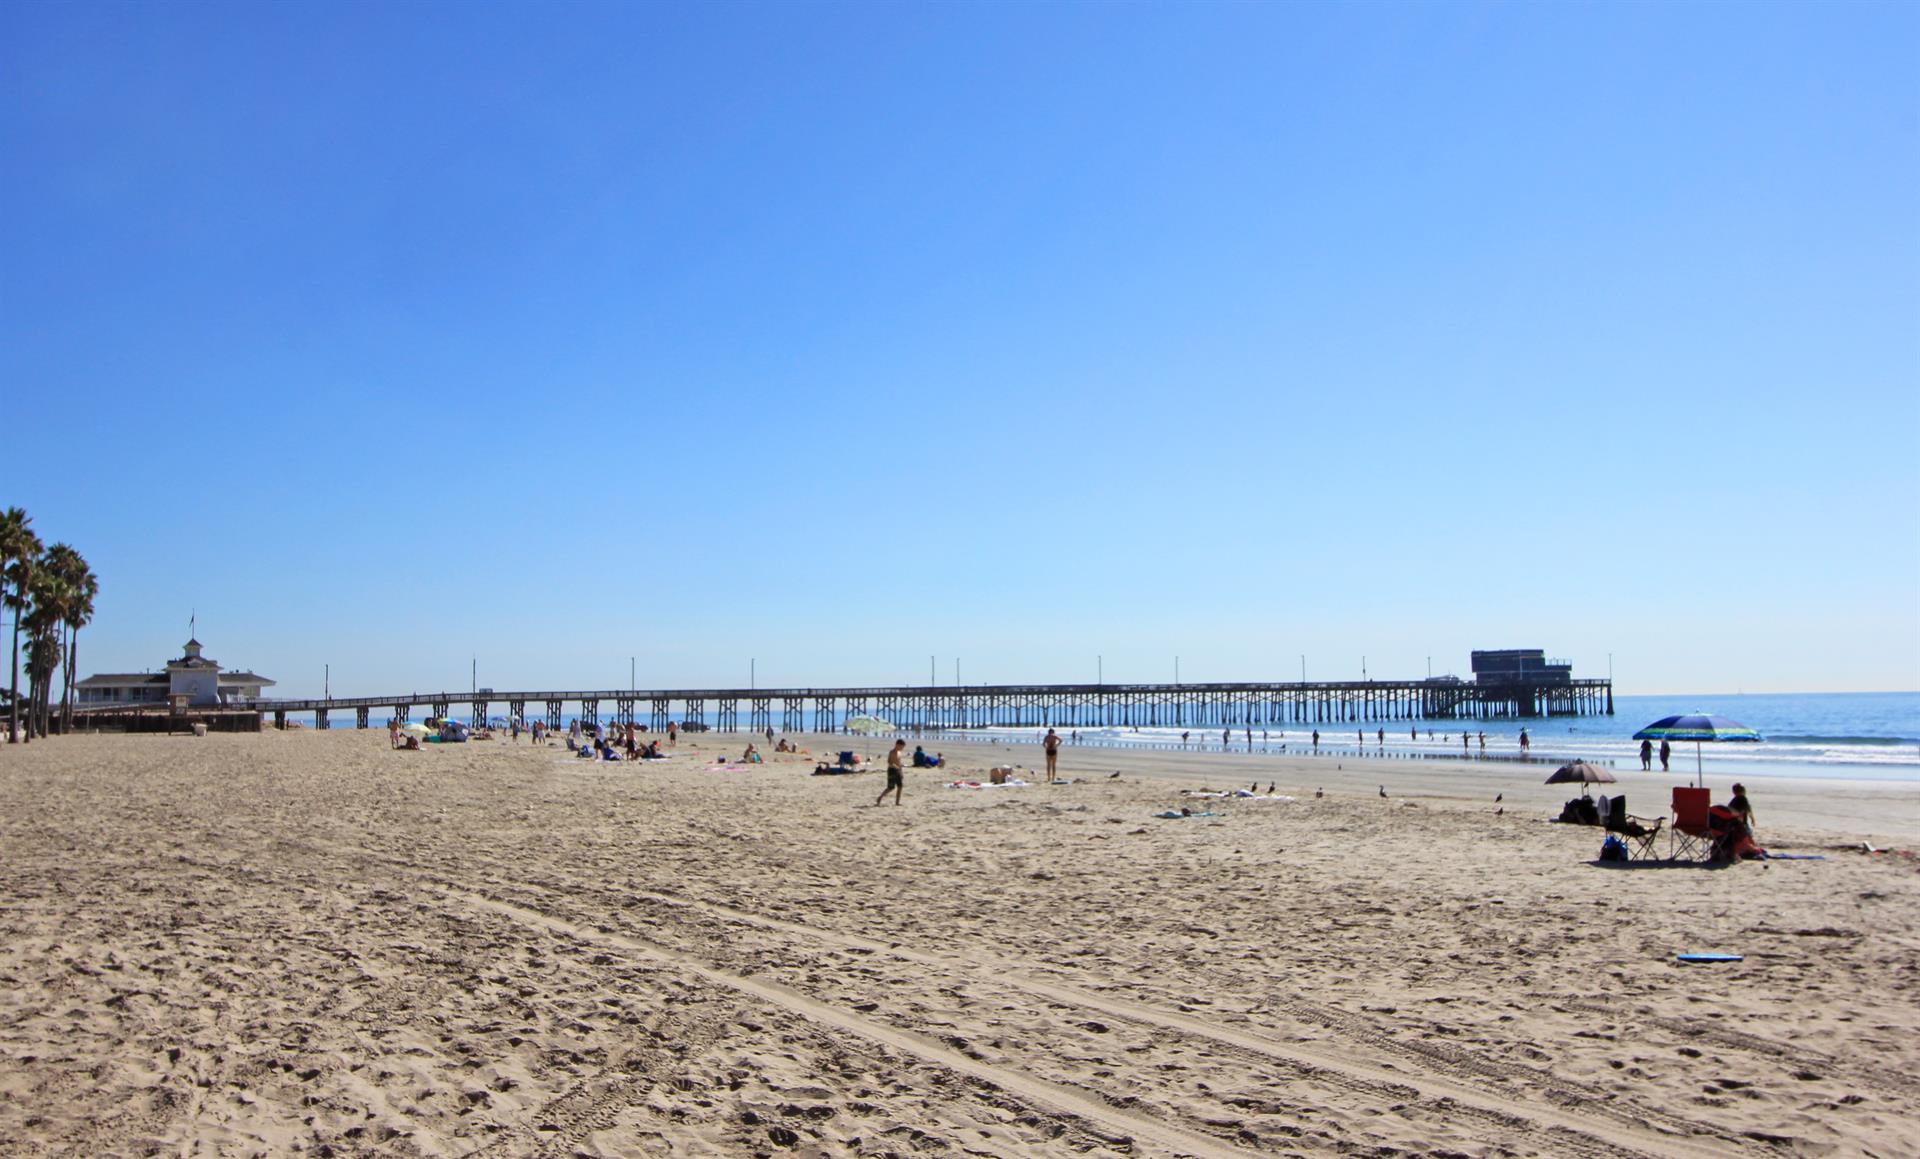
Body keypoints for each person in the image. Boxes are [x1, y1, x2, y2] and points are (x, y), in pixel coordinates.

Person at [876, 739, 907, 806]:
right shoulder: (892, 752)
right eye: (901, 747)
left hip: (898, 770)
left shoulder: (899, 753)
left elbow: (899, 763)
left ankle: (897, 802)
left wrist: (901, 772)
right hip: (892, 770)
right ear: (897, 745)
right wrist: (894, 766)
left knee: (900, 786)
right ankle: (880, 797)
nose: (902, 748)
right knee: (891, 787)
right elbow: (889, 762)